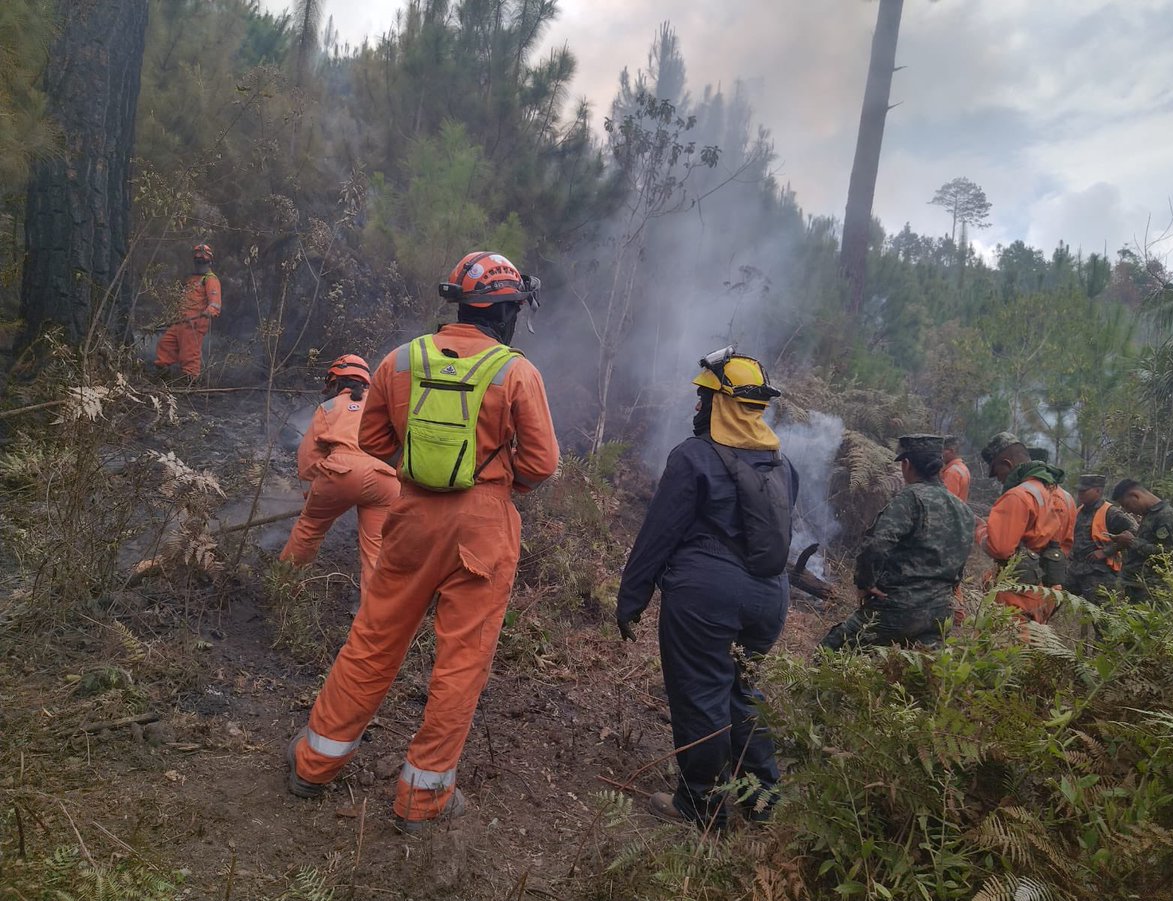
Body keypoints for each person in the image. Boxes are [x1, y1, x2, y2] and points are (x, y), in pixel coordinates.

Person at [286, 252, 559, 833]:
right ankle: (424, 798)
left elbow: (373, 442)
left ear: (460, 305)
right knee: (461, 660)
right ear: (505, 313)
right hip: (482, 527)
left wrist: (420, 468)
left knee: (373, 638)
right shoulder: (517, 373)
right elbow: (540, 464)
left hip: (409, 517)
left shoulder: (400, 360)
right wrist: (492, 484)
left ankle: (314, 764)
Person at [615, 349, 798, 830]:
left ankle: (700, 805)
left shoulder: (694, 456)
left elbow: (658, 535)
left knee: (701, 694)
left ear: (723, 404)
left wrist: (631, 599)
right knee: (741, 690)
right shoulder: (781, 464)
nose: (697, 406)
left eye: (705, 397)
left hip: (707, 597)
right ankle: (763, 800)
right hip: (771, 599)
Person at [822, 435, 974, 651]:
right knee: (920, 668)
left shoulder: (910, 499)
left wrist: (865, 583)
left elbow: (877, 544)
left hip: (899, 608)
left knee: (829, 650)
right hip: (940, 613)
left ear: (907, 464)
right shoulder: (963, 510)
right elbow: (960, 561)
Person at [278, 354, 401, 601]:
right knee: (377, 549)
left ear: (335, 382)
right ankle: (376, 612)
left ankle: (282, 587)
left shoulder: (329, 408)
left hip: (341, 472)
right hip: (385, 478)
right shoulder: (384, 405)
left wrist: (315, 490)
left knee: (310, 527)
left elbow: (308, 458)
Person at [978, 432, 1067, 623]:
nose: (998, 479)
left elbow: (1000, 549)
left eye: (997, 472)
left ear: (1007, 464)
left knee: (1009, 639)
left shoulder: (1017, 496)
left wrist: (981, 530)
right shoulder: (1051, 491)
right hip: (1040, 591)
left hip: (1015, 595)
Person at [1110, 479, 1173, 605]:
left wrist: (1132, 541)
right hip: (1136, 586)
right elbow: (1148, 543)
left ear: (1135, 496)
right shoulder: (1149, 515)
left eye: (1126, 505)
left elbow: (1170, 554)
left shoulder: (1167, 516)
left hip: (1151, 591)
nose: (1127, 511)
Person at [155, 244, 222, 379]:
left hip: (194, 323)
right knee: (165, 344)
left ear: (209, 262)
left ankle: (190, 380)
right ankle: (163, 372)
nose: (199, 263)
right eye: (198, 260)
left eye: (202, 260)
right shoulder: (192, 279)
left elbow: (215, 303)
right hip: (181, 321)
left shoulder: (210, 279)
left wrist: (209, 311)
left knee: (189, 353)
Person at [1065, 474, 1134, 605]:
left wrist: (1106, 551)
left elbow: (1133, 534)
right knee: (1059, 602)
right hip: (1075, 570)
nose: (1080, 494)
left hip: (1100, 573)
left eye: (1084, 491)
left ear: (1098, 491)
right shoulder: (1079, 511)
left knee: (1102, 612)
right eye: (1079, 490)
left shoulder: (1111, 512)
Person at [1027, 447, 1077, 557]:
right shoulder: (1068, 497)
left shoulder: (1029, 493)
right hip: (1059, 561)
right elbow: (1069, 537)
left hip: (1030, 560)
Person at [941, 435, 971, 503]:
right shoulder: (963, 468)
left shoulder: (952, 472)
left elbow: (946, 501)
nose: (941, 454)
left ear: (952, 451)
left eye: (943, 450)